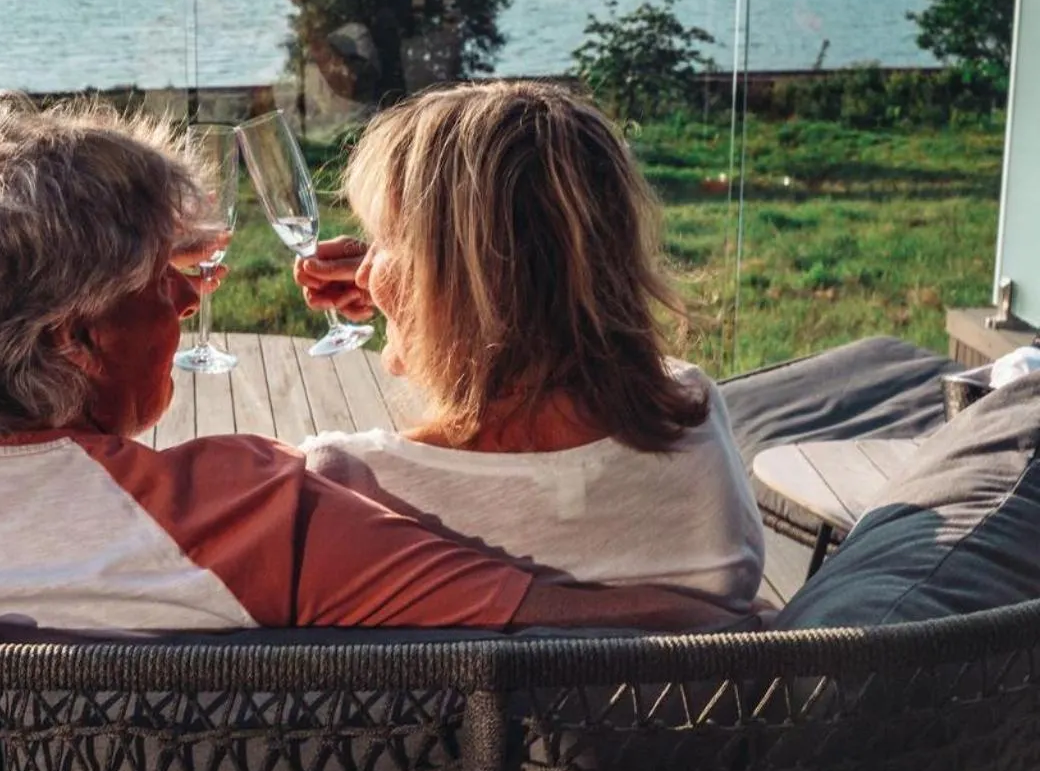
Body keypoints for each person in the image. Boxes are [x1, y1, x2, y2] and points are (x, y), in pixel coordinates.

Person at [0, 95, 743, 635]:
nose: (191, 302)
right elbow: (633, 626)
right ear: (70, 337)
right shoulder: (259, 520)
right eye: (166, 285)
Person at [295, 80, 765, 609]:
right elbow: (544, 294)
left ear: (450, 283)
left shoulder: (346, 488)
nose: (366, 267)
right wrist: (427, 294)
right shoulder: (696, 435)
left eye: (382, 239)